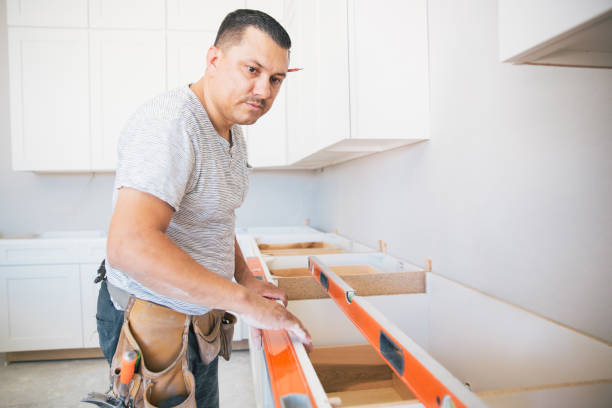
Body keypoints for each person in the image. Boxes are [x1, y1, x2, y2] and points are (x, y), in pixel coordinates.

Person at [95, 9, 312, 408]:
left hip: (198, 318)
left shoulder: (230, 127)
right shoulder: (171, 125)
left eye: (276, 79)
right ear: (214, 60)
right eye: (252, 69)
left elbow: (214, 217)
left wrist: (244, 278)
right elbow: (129, 244)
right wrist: (244, 302)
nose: (264, 91)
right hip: (152, 325)